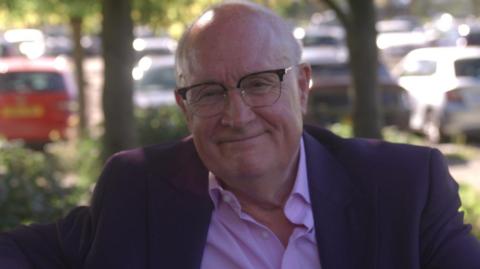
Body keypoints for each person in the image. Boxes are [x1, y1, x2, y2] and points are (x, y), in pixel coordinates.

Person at [1, 1, 480, 268]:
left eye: (258, 83)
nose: (238, 114)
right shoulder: (138, 189)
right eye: (209, 92)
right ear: (184, 107)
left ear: (302, 87)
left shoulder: (404, 185)